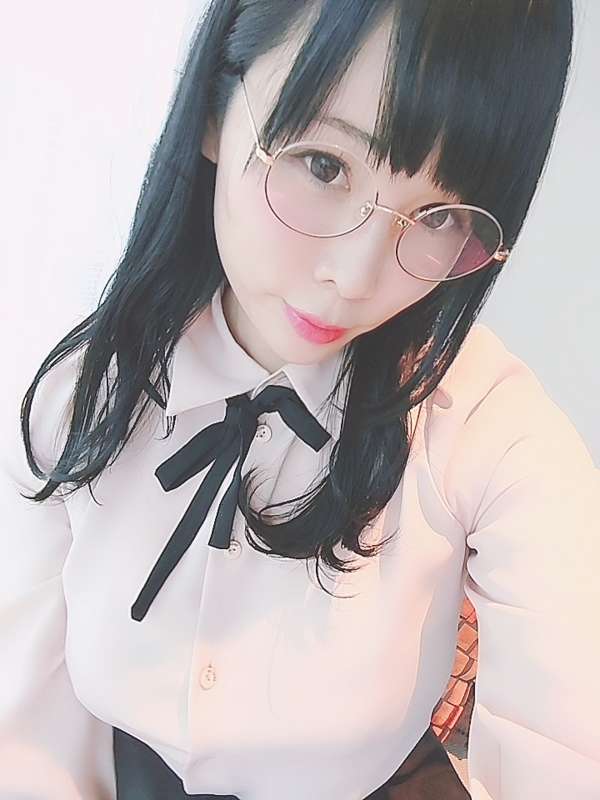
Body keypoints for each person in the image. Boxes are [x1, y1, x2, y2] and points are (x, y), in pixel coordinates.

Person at [1, 1, 598, 798]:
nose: (355, 276)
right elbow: (27, 737)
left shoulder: (488, 429)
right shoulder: (75, 398)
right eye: (324, 166)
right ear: (215, 110)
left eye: (441, 215)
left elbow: (565, 745)